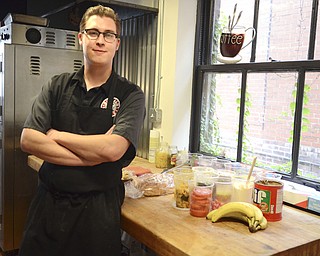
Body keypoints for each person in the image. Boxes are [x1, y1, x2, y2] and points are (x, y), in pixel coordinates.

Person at [19, 5, 145, 256]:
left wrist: (58, 135)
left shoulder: (130, 94)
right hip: (48, 208)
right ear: (81, 38)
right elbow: (29, 140)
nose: (101, 40)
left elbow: (113, 149)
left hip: (97, 214)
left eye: (109, 35)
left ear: (117, 44)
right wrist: (92, 159)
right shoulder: (57, 86)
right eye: (93, 32)